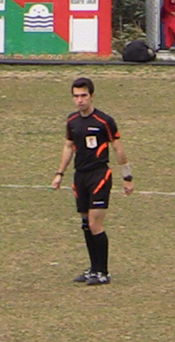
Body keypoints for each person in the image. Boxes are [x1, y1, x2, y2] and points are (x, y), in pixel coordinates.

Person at [51, 77, 134, 286]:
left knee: (96, 223)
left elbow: (117, 147)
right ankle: (93, 269)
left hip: (99, 175)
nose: (79, 100)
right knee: (85, 224)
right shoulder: (72, 121)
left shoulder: (104, 121)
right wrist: (59, 173)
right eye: (76, 96)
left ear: (91, 96)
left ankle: (103, 271)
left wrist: (127, 176)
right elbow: (68, 147)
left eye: (83, 96)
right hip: (80, 176)